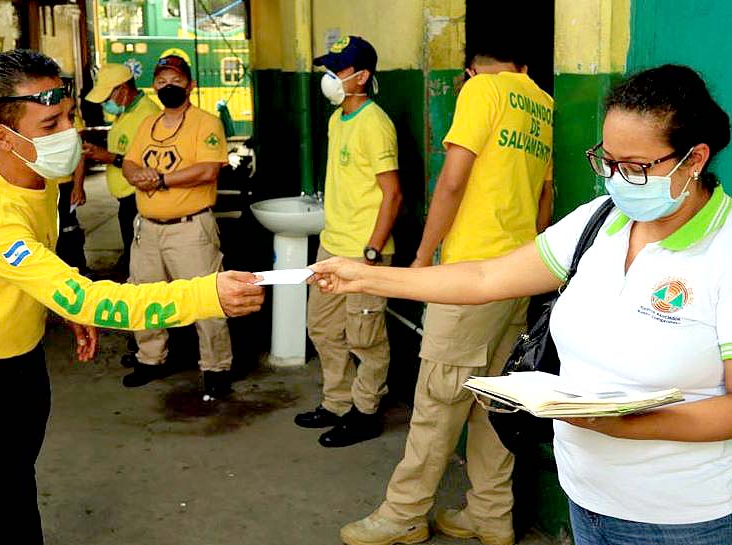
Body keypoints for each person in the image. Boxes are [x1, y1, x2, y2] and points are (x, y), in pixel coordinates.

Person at [312, 64, 732, 545]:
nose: (615, 179)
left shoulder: (726, 249)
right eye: (606, 160)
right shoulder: (601, 221)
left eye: (635, 167)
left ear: (694, 158)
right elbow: (486, 276)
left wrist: (624, 426)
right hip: (587, 499)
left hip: (683, 520)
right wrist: (367, 275)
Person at [0, 49, 264, 545]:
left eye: (69, 116)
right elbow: (85, 297)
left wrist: (58, 302)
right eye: (50, 123)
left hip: (19, 358)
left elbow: (39, 269)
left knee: (13, 491)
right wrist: (207, 292)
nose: (70, 133)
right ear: (2, 134)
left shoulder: (23, 165)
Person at [335, 41, 554, 545]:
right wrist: (527, 266)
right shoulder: (542, 103)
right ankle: (491, 515)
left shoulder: (480, 91)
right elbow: (545, 196)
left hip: (468, 277)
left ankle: (404, 514)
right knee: (494, 401)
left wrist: (420, 258)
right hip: (515, 276)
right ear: (523, 62)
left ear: (470, 67)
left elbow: (452, 182)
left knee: (437, 403)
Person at [293, 35, 402, 448]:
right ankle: (337, 402)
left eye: (336, 70)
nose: (329, 77)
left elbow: (392, 193)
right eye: (329, 68)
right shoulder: (338, 118)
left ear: (362, 76)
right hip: (332, 244)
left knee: (365, 338)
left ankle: (365, 411)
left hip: (363, 252)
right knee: (322, 327)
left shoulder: (376, 124)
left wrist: (373, 251)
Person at [120, 55, 233, 396]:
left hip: (190, 229)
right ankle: (150, 358)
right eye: (161, 80)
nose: (168, 86)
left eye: (175, 79)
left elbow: (208, 170)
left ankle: (216, 367)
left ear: (190, 85)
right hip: (148, 229)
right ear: (153, 86)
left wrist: (162, 180)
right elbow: (129, 162)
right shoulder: (148, 124)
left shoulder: (206, 123)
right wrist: (135, 176)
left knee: (205, 300)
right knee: (144, 295)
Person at [82, 63, 160, 276]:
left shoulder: (148, 115)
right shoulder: (127, 111)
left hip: (139, 196)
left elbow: (152, 164)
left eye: (108, 99)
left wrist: (107, 156)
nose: (106, 104)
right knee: (133, 247)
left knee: (143, 253)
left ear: (123, 89)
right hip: (126, 196)